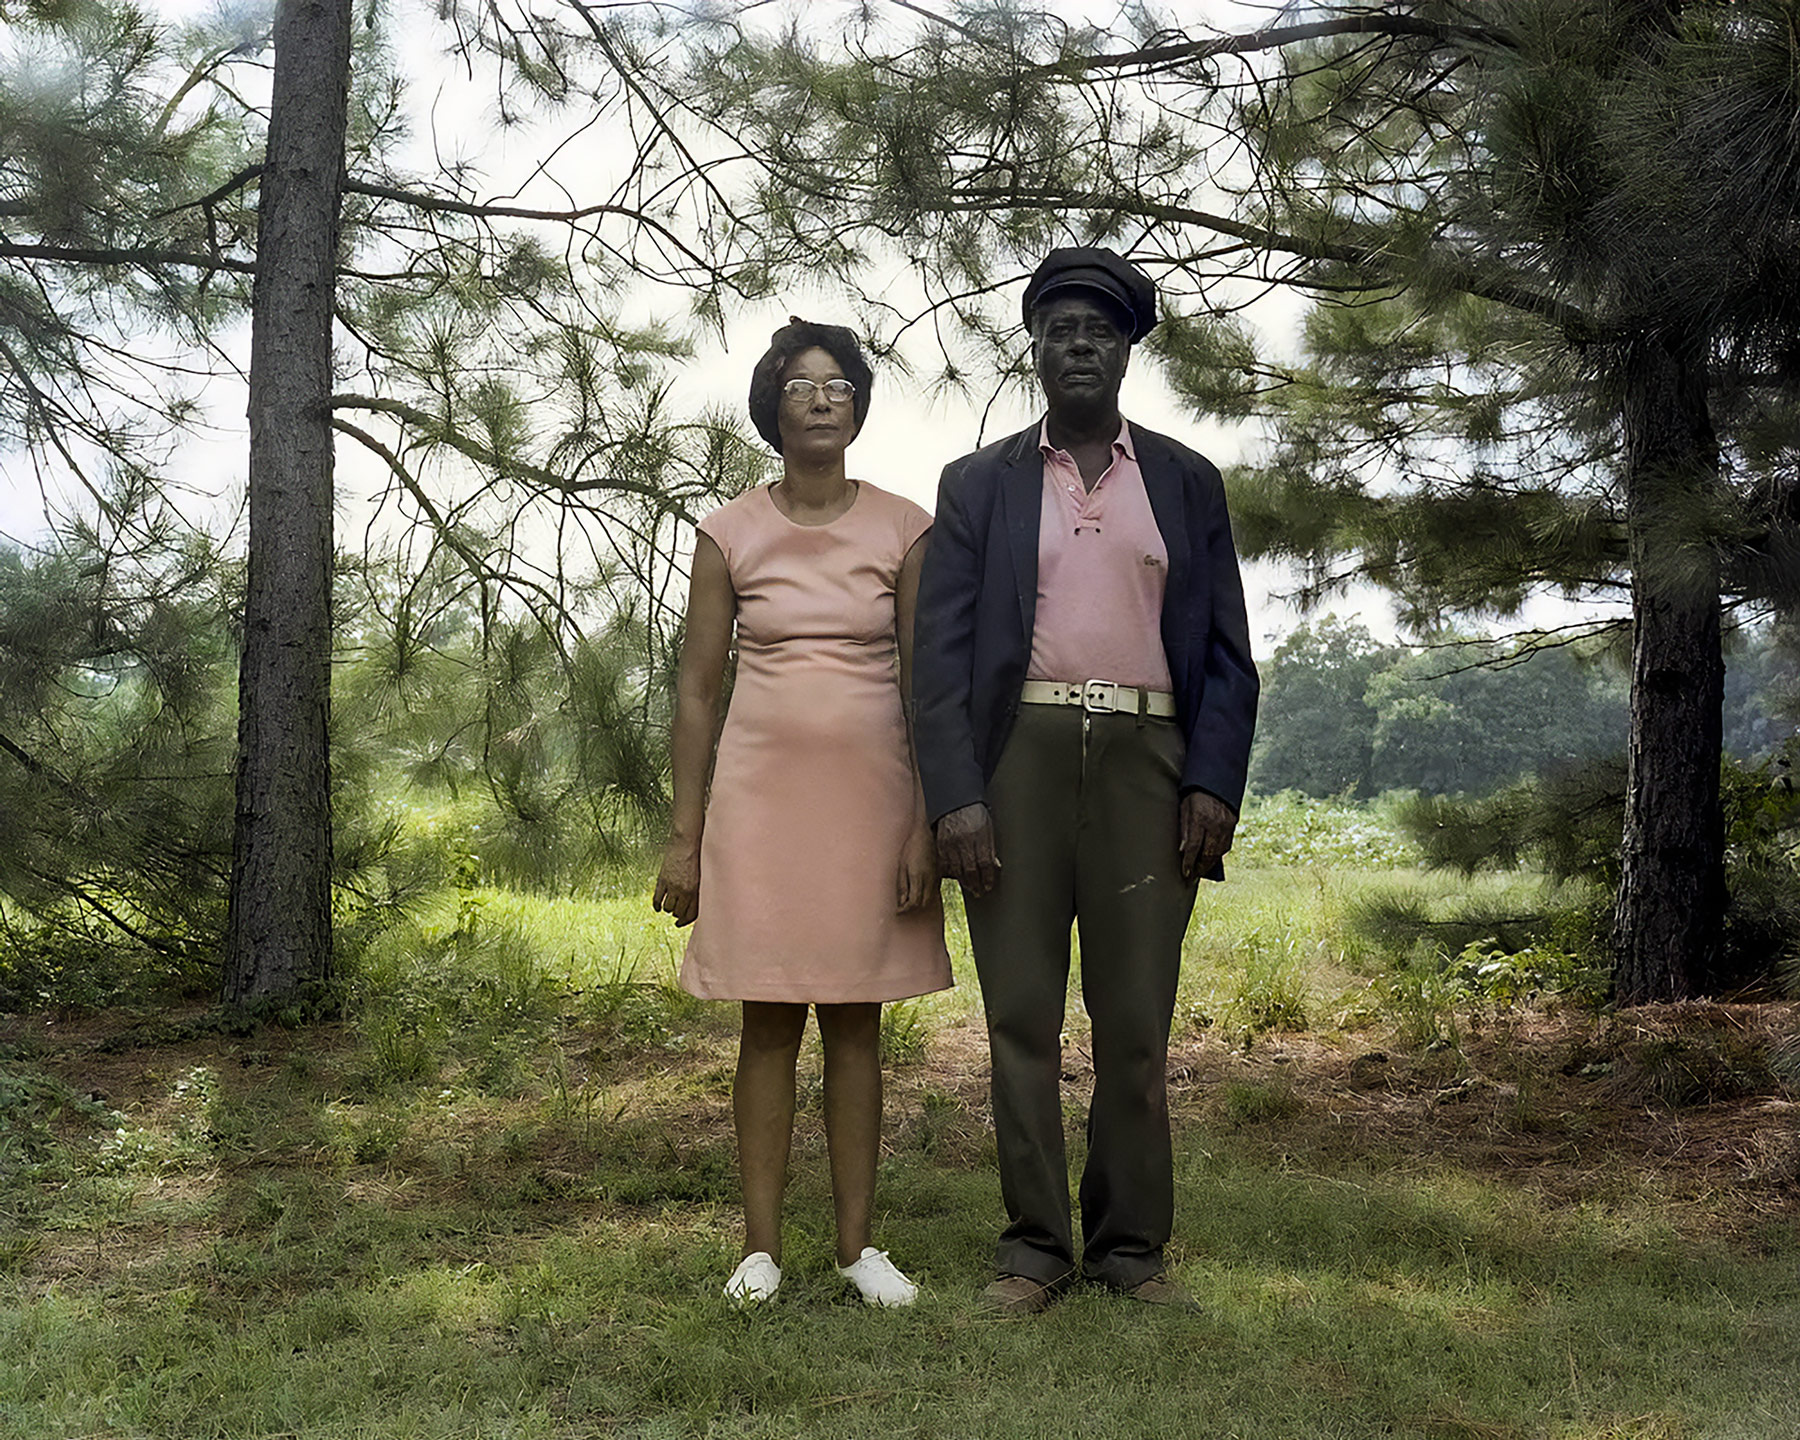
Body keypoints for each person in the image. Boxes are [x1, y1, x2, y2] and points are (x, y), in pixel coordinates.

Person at [913, 247, 1259, 1312]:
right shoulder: (980, 485)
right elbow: (937, 657)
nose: (1078, 345)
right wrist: (956, 796)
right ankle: (1032, 1250)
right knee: (1021, 1014)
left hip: (1148, 765)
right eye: (1060, 328)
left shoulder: (1187, 482)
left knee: (1137, 1023)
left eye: (1099, 331)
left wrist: (1211, 782)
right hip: (1018, 758)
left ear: (1125, 351)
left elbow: (1227, 655)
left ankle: (1129, 1253)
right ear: (1035, 345)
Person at [653, 318, 952, 1309]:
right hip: (760, 807)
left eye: (837, 385)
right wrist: (685, 838)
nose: (821, 399)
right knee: (769, 1022)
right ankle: (761, 1251)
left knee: (857, 1024)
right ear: (770, 409)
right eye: (799, 386)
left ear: (859, 405)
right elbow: (698, 691)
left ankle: (858, 1249)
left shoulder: (906, 527)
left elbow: (925, 683)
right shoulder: (727, 531)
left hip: (873, 805)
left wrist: (924, 824)